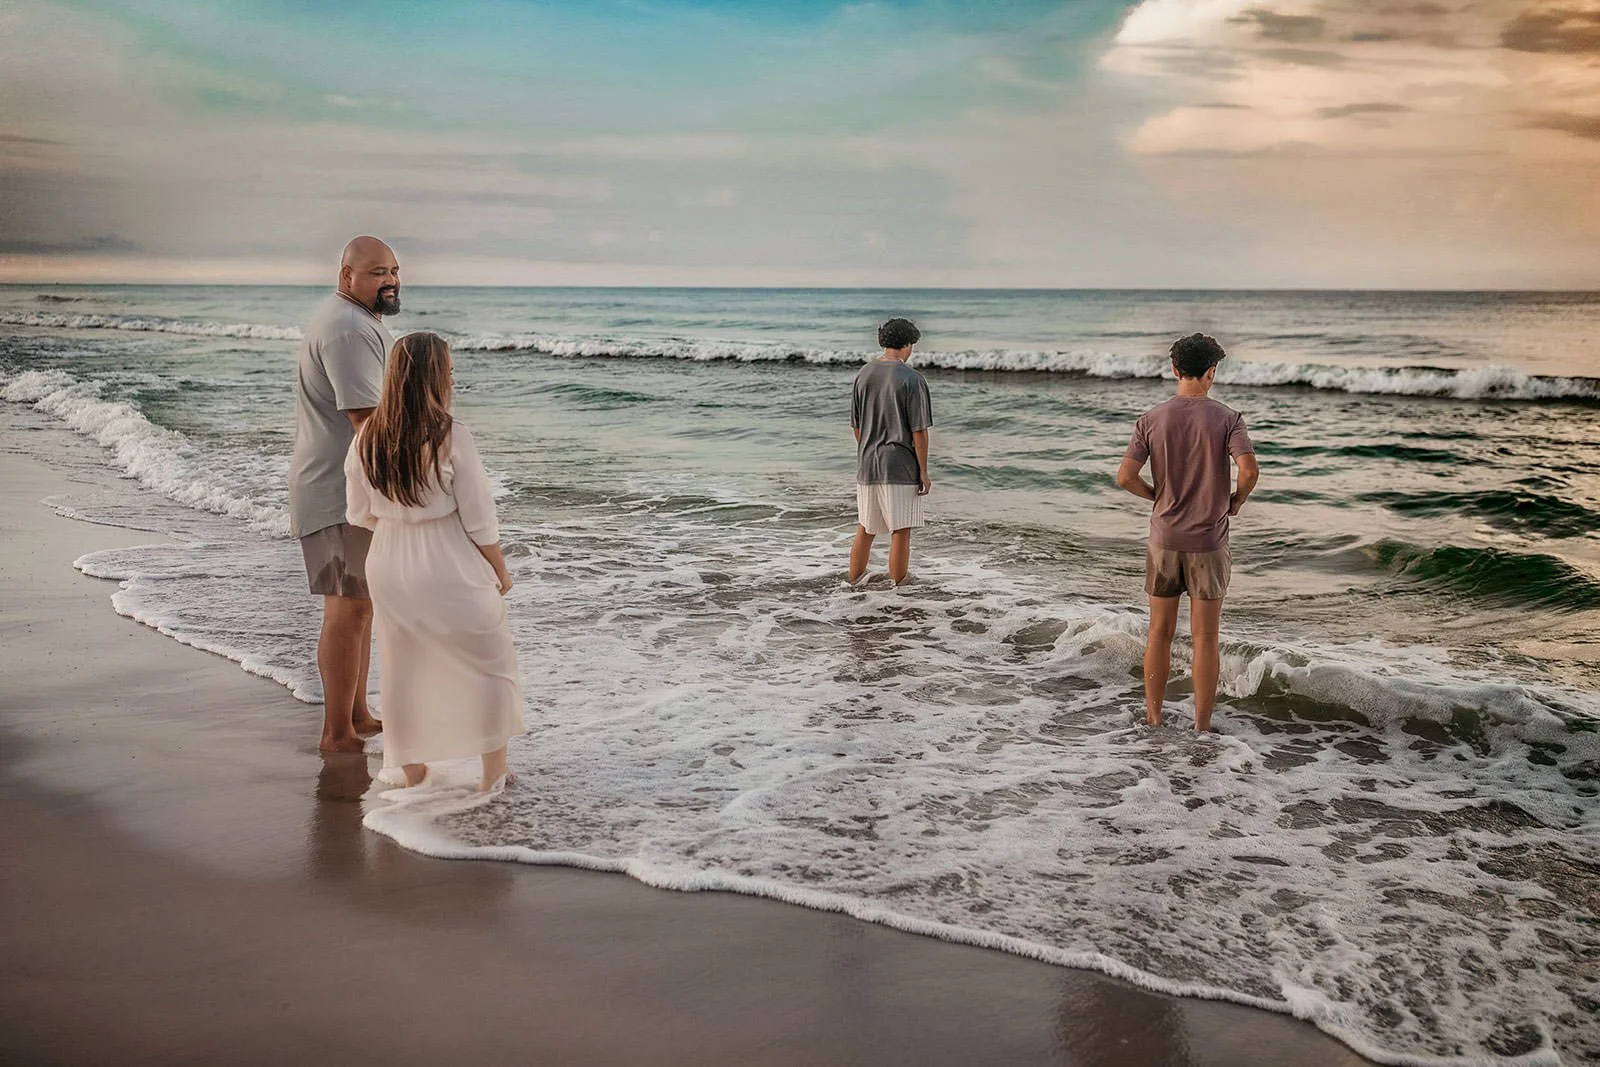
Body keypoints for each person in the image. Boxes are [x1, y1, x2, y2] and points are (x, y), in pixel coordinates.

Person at [345, 331, 524, 792]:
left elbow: (357, 513)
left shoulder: (366, 437)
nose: (453, 376)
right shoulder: (450, 434)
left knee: (403, 666)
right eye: (448, 369)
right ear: (434, 377)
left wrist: (398, 519)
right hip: (444, 560)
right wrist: (499, 569)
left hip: (386, 561)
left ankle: (412, 770)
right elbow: (480, 517)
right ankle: (492, 776)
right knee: (490, 661)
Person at [288, 236, 401, 753]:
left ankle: (356, 713)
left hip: (344, 485)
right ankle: (336, 732)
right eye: (378, 272)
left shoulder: (354, 320)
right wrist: (410, 484)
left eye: (394, 271)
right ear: (346, 275)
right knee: (349, 607)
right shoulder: (350, 330)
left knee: (360, 603)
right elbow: (365, 420)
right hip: (340, 490)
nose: (392, 280)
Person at [1115, 333, 1259, 731]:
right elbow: (1249, 471)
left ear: (1175, 370)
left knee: (1159, 633)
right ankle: (1201, 726)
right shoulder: (1229, 419)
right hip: (1208, 543)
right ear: (1212, 373)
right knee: (1205, 639)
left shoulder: (1151, 418)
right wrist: (1236, 501)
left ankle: (1155, 717)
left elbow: (1125, 476)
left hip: (1164, 540)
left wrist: (1158, 497)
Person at [848, 317, 933, 586]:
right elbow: (919, 431)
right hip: (899, 464)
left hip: (868, 463)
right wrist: (923, 471)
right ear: (908, 344)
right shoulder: (912, 379)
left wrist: (869, 450)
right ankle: (899, 590)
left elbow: (857, 426)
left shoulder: (863, 374)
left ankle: (853, 582)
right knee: (900, 530)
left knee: (866, 527)